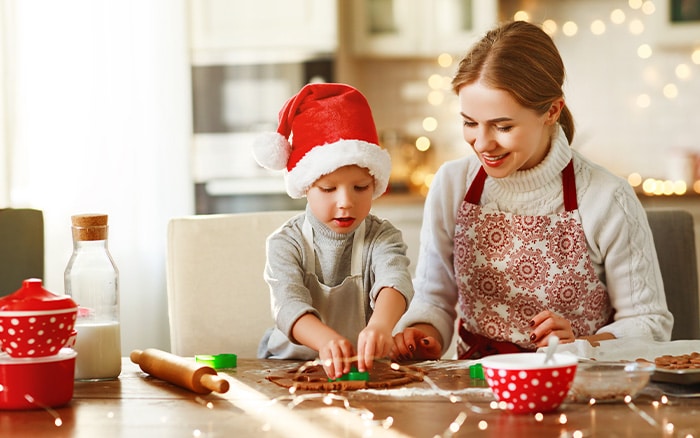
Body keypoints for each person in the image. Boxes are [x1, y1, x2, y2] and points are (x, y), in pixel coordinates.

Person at [391, 20, 673, 361]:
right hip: (477, 384)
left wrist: (582, 343)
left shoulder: (606, 197)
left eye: (503, 126)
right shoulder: (452, 184)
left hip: (577, 388)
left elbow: (648, 323)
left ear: (551, 110)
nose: (482, 144)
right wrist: (421, 335)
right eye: (469, 123)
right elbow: (433, 299)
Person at [252, 83, 414, 378]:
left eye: (360, 188)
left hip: (359, 369)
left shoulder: (382, 236)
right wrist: (325, 339)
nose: (345, 202)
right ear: (305, 187)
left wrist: (380, 325)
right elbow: (288, 304)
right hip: (288, 367)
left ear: (375, 184)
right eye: (328, 189)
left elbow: (395, 280)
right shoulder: (285, 243)